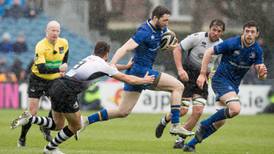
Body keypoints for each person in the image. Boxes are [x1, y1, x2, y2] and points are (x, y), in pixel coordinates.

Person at [11, 41, 155, 154]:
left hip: (56, 85)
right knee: (76, 125)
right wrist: (144, 80)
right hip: (67, 91)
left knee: (58, 125)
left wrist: (125, 65)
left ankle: (30, 119)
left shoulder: (90, 58)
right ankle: (50, 149)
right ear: (107, 53)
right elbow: (127, 79)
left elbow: (110, 66)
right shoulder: (104, 65)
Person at [77, 5, 194, 138]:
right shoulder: (144, 31)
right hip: (141, 71)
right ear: (155, 18)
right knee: (178, 86)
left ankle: (86, 120)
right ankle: (175, 125)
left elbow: (166, 41)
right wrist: (112, 64)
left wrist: (170, 46)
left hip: (137, 71)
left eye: (168, 20)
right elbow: (125, 48)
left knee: (123, 111)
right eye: (165, 20)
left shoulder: (162, 29)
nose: (167, 23)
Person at [183, 20, 267, 152]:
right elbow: (208, 52)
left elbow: (260, 73)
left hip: (233, 85)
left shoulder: (257, 50)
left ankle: (190, 144)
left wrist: (262, 74)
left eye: (252, 32)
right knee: (235, 109)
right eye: (247, 31)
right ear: (243, 32)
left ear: (257, 34)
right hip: (220, 80)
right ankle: (204, 123)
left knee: (220, 122)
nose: (249, 34)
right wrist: (202, 74)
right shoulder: (232, 43)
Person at [155, 19, 225, 149]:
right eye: (214, 30)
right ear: (209, 29)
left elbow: (219, 64)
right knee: (182, 110)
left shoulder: (222, 45)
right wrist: (180, 70)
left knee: (198, 112)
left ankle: (180, 140)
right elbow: (177, 49)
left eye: (219, 31)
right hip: (187, 75)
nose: (215, 33)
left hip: (202, 78)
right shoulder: (197, 37)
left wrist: (212, 73)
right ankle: (164, 121)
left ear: (222, 33)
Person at [16, 20, 69, 147]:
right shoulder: (40, 46)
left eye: (57, 30)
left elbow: (65, 55)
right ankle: (22, 138)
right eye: (52, 30)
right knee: (32, 112)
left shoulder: (64, 43)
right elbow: (41, 69)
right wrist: (59, 69)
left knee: (57, 106)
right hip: (38, 80)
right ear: (46, 31)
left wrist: (63, 67)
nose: (55, 33)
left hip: (54, 80)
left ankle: (45, 128)